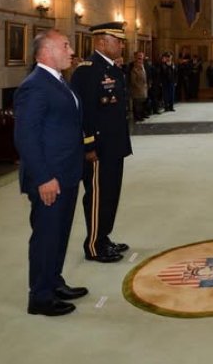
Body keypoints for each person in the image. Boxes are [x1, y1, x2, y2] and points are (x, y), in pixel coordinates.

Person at [13, 29, 88, 316]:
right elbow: (26, 138)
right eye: (65, 46)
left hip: (66, 172)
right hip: (49, 177)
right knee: (46, 236)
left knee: (59, 232)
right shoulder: (34, 86)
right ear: (46, 52)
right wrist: (44, 177)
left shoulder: (57, 80)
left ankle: (54, 282)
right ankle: (40, 297)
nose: (71, 51)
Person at [71, 22, 133, 263]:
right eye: (118, 41)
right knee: (97, 196)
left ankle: (104, 237)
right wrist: (88, 145)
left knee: (111, 195)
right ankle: (94, 245)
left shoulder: (113, 69)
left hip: (114, 144)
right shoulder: (88, 71)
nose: (121, 45)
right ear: (102, 42)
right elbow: (83, 112)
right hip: (98, 148)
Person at [129, 51, 149, 122]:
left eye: (142, 56)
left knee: (142, 103)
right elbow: (133, 81)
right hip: (137, 89)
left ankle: (142, 115)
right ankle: (137, 117)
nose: (140, 60)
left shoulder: (145, 66)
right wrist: (139, 87)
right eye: (139, 57)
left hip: (144, 88)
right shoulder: (133, 68)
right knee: (137, 104)